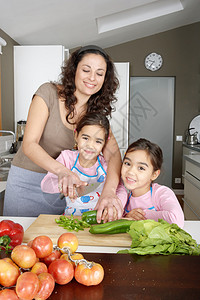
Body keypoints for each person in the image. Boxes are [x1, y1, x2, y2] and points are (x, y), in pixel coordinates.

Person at [3, 45, 123, 220]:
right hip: (28, 184)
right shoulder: (48, 93)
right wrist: (63, 171)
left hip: (64, 190)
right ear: (74, 70)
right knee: (19, 241)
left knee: (59, 244)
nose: (92, 78)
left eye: (99, 73)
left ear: (105, 79)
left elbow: (113, 155)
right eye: (86, 70)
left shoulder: (95, 115)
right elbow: (29, 144)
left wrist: (109, 192)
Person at [41, 113, 126, 216]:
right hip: (70, 219)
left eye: (98, 141)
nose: (90, 146)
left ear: (105, 143)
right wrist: (65, 185)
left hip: (98, 220)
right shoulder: (67, 158)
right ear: (76, 136)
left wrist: (115, 206)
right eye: (85, 138)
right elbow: (45, 185)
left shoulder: (105, 165)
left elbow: (121, 188)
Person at [120, 138, 184, 228]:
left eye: (141, 168)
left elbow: (175, 219)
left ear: (154, 174)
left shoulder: (161, 193)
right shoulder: (124, 197)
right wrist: (127, 217)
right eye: (127, 163)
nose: (130, 172)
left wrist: (142, 215)